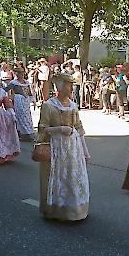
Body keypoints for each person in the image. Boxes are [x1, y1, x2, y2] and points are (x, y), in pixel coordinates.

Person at [37, 73, 91, 221]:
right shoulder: (48, 106)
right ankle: (56, 210)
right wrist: (59, 129)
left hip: (73, 149)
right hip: (56, 148)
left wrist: (85, 152)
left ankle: (75, 209)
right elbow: (43, 128)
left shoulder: (73, 105)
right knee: (57, 178)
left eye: (72, 85)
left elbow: (79, 128)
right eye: (69, 85)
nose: (71, 88)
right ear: (60, 86)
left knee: (72, 178)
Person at [8, 67, 35, 141]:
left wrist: (33, 100)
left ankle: (29, 133)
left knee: (27, 116)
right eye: (19, 73)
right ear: (16, 73)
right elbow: (6, 90)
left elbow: (29, 92)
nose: (21, 74)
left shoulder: (26, 82)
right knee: (20, 116)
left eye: (22, 72)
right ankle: (22, 134)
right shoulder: (14, 83)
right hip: (18, 101)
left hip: (25, 101)